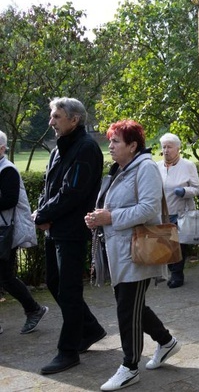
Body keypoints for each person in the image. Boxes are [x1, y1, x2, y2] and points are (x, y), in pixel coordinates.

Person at [86, 120, 180, 391]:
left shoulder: (146, 167)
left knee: (127, 309)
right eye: (111, 141)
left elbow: (149, 209)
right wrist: (97, 218)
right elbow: (114, 206)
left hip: (138, 252)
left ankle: (129, 367)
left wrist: (110, 217)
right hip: (121, 251)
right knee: (132, 305)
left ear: (133, 146)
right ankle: (166, 341)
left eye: (115, 141)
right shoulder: (121, 169)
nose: (110, 146)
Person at [35, 97, 106, 375]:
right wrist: (42, 212)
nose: (51, 122)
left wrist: (42, 215)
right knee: (54, 283)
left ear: (74, 120)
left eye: (56, 117)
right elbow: (50, 186)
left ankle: (68, 351)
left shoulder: (86, 148)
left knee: (69, 291)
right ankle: (90, 329)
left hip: (73, 232)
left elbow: (72, 193)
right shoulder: (60, 148)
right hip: (56, 230)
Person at [0, 130, 48, 336]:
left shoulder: (7, 170)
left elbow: (9, 200)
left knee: (6, 277)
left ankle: (34, 309)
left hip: (5, 233)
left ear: (2, 148)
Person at [157, 133, 199, 289]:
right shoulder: (157, 166)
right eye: (164, 147)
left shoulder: (188, 165)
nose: (166, 150)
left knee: (178, 246)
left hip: (181, 213)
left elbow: (196, 189)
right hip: (162, 214)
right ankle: (169, 271)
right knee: (166, 245)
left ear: (178, 148)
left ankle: (177, 275)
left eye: (169, 147)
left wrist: (184, 191)